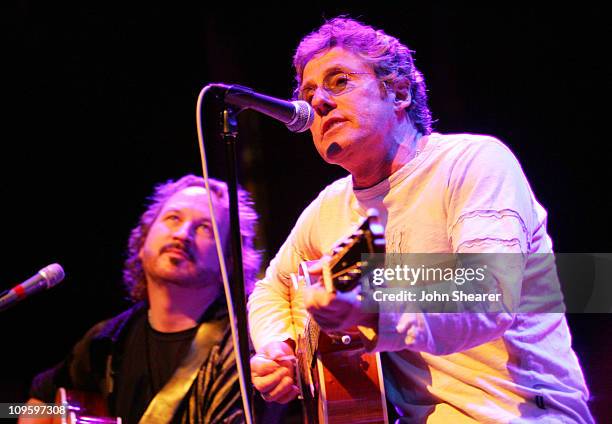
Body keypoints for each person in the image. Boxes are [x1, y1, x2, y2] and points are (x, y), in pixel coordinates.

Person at [247, 17, 594, 423]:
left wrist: (373, 306)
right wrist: (279, 347)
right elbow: (273, 288)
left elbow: (489, 293)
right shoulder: (329, 209)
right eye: (308, 92)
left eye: (338, 81)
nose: (317, 102)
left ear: (398, 92)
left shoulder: (472, 162)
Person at [21, 175, 260, 424]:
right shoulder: (107, 340)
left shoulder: (243, 346)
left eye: (204, 228)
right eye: (173, 218)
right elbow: (21, 406)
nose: (182, 234)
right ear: (144, 236)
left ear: (230, 260)